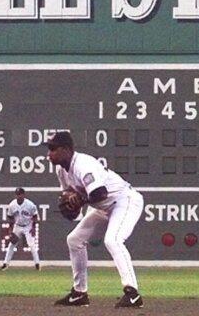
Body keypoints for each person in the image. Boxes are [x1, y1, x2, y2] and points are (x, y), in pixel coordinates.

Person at [46, 131, 145, 308]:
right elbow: (71, 200)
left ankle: (133, 294)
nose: (49, 154)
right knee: (74, 240)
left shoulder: (83, 165)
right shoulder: (61, 170)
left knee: (113, 240)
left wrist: (81, 201)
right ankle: (79, 293)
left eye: (53, 149)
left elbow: (100, 193)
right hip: (103, 207)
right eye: (48, 149)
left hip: (124, 200)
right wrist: (72, 207)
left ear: (66, 149)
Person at [1, 187, 41, 270]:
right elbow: (10, 217)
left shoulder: (30, 204)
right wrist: (10, 230)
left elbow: (35, 216)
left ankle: (37, 264)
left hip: (28, 226)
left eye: (20, 194)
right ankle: (5, 264)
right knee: (11, 245)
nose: (19, 196)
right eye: (17, 194)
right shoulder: (12, 205)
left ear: (24, 195)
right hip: (17, 226)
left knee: (32, 245)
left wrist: (33, 228)